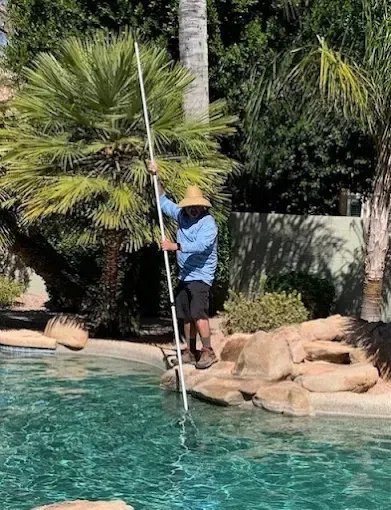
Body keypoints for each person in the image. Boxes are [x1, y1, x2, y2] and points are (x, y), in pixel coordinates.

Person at [148, 161, 218, 369]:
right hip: (185, 275)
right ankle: (190, 350)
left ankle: (208, 351)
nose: (194, 210)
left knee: (198, 314)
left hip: (201, 276)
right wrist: (155, 175)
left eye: (197, 207)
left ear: (202, 206)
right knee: (186, 316)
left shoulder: (208, 224)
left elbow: (200, 246)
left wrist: (174, 245)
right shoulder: (181, 215)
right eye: (190, 207)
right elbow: (162, 201)